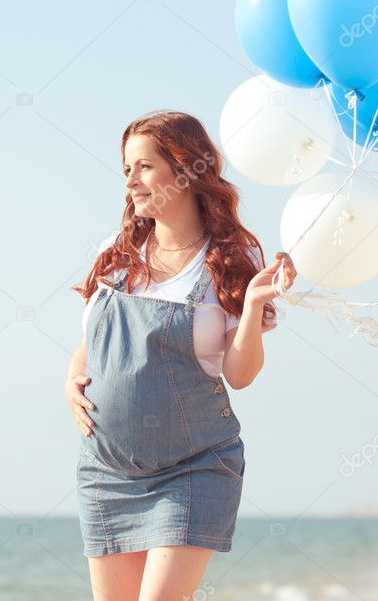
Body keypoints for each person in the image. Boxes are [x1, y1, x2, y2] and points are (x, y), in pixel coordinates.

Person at [66, 110, 296, 600]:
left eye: (144, 166)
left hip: (192, 466)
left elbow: (240, 374)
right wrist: (72, 380)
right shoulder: (116, 251)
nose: (131, 180)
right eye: (126, 168)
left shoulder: (232, 257)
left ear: (187, 167)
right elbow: (95, 342)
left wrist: (253, 306)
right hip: (107, 471)